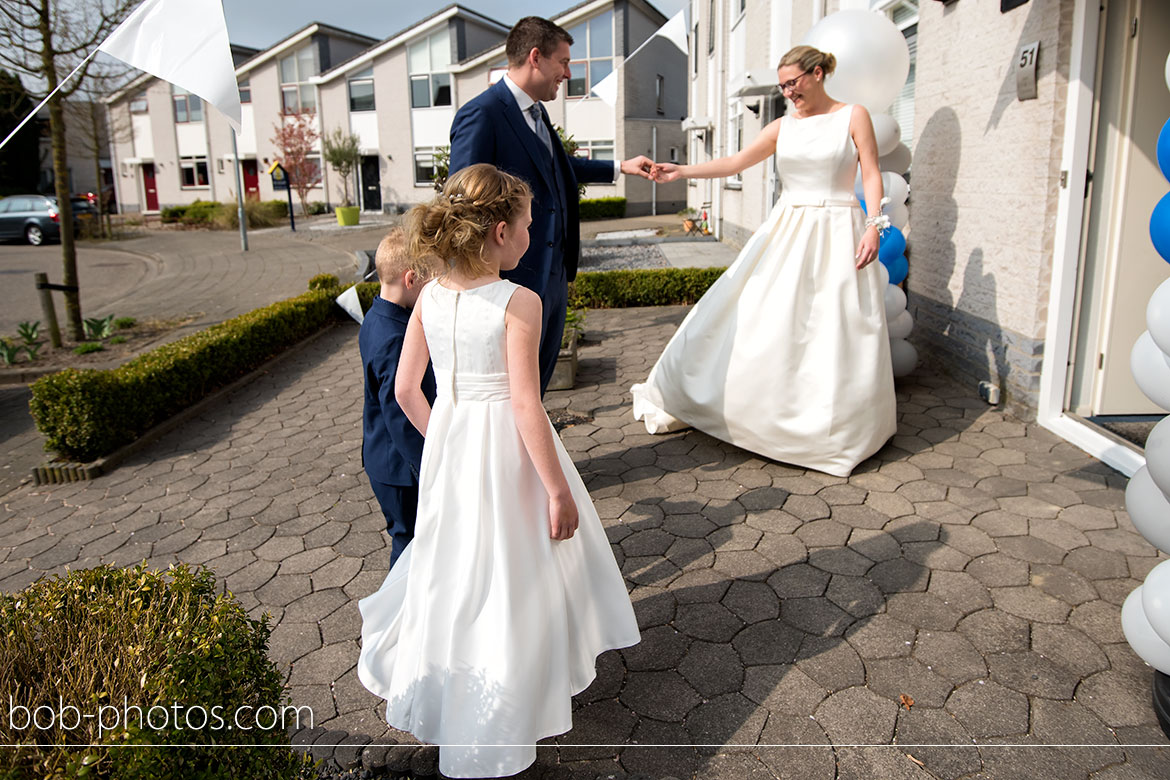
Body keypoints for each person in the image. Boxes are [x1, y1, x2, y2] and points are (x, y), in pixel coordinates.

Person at [357, 164, 640, 779]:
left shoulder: (429, 294)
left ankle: (456, 683)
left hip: (454, 444)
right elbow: (524, 403)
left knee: (457, 567)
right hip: (509, 450)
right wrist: (558, 490)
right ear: (500, 230)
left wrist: (448, 442)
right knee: (513, 570)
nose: (535, 238)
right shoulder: (519, 301)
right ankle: (512, 696)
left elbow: (407, 391)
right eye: (530, 228)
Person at [631, 45, 897, 477]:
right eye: (783, 85)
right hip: (788, 228)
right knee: (763, 315)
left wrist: (874, 224)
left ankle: (839, 430)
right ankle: (756, 414)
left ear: (816, 74)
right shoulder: (780, 127)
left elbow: (870, 170)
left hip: (838, 229)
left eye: (793, 83)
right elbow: (736, 161)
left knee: (836, 323)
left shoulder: (854, 116)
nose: (788, 92)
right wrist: (681, 172)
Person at [448, 15, 654, 396]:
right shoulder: (484, 114)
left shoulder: (538, 112)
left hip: (554, 275)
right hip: (513, 278)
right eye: (563, 62)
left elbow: (557, 168)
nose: (567, 72)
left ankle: (533, 452)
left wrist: (620, 166)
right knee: (511, 389)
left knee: (536, 387)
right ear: (536, 57)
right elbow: (463, 199)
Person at [358, 228, 439, 567]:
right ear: (411, 279)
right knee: (410, 545)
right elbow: (401, 416)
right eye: (430, 281)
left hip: (385, 460)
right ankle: (399, 614)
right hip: (403, 469)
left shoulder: (374, 318)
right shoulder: (396, 338)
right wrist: (432, 467)